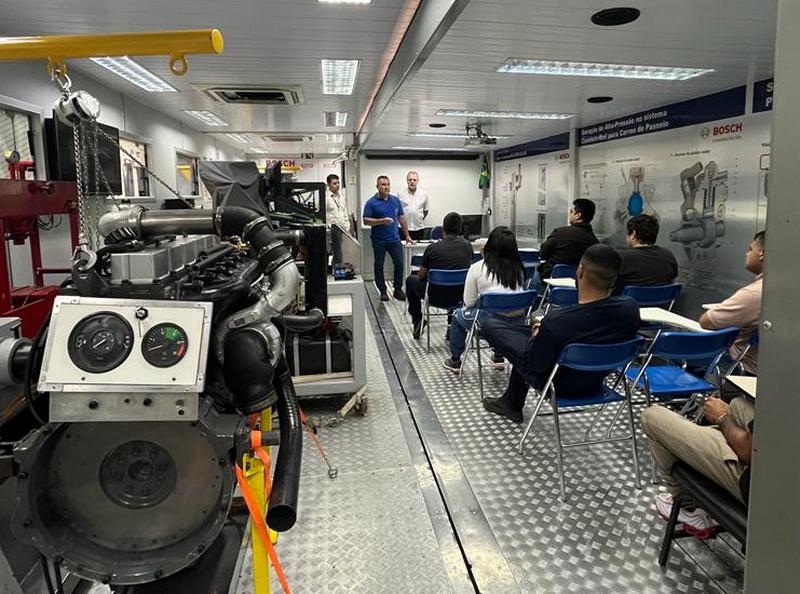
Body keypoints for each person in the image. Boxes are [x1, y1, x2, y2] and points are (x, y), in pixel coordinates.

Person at [480, 244, 640, 423]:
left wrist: (536, 337)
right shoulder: (630, 308)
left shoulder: (557, 321)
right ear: (615, 278)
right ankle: (511, 402)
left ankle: (511, 403)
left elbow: (535, 364)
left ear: (580, 271)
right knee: (524, 334)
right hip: (596, 380)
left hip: (556, 384)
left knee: (490, 325)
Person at [641, 396, 754, 536]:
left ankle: (691, 508)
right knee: (738, 404)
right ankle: (715, 441)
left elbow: (748, 451)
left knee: (651, 417)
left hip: (758, 484)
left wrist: (722, 418)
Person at [443, 226, 525, 372]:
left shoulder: (477, 268)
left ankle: (455, 360)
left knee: (457, 315)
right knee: (503, 311)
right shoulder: (519, 269)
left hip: (487, 325)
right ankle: (498, 356)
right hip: (516, 324)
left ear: (490, 246)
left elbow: (469, 302)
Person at [698, 230, 765, 375]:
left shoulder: (755, 293)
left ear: (762, 254)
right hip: (772, 369)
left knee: (685, 354)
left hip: (744, 366)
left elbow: (706, 321)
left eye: (750, 249)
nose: (746, 254)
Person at [405, 212, 472, 339]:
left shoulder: (433, 248)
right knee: (455, 281)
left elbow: (421, 275)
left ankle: (417, 319)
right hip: (460, 296)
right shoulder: (467, 247)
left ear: (443, 229)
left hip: (435, 296)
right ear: (460, 229)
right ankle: (452, 326)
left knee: (410, 280)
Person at [363, 175, 414, 301]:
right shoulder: (371, 202)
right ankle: (383, 291)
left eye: (388, 184)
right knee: (379, 264)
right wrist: (382, 221)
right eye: (383, 185)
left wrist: (407, 235)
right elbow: (365, 220)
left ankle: (397, 289)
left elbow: (401, 218)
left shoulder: (395, 200)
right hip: (379, 240)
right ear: (377, 186)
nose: (386, 187)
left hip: (394, 239)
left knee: (399, 263)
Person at [533, 199, 599, 291]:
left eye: (571, 211)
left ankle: (537, 302)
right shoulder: (594, 241)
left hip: (551, 278)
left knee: (535, 273)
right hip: (579, 284)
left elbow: (543, 252)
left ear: (578, 215)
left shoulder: (560, 233)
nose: (569, 214)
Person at [614, 214, 678, 293]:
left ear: (633, 234)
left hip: (628, 304)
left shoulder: (620, 257)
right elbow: (672, 281)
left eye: (628, 233)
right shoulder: (668, 255)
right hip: (662, 304)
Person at [397, 171, 429, 241]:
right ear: (407, 180)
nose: (412, 181)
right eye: (410, 179)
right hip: (403, 229)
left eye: (414, 180)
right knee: (404, 249)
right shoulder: (400, 193)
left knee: (417, 250)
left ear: (417, 181)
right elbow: (398, 211)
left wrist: (419, 218)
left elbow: (426, 210)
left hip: (418, 228)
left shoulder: (424, 193)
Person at [325, 173, 349, 265]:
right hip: (330, 228)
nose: (337, 185)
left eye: (338, 183)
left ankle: (337, 269)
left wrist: (347, 225)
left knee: (339, 251)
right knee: (328, 251)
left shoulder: (341, 196)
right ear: (328, 184)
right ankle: (327, 271)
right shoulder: (325, 197)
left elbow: (344, 211)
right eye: (334, 183)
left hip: (342, 228)